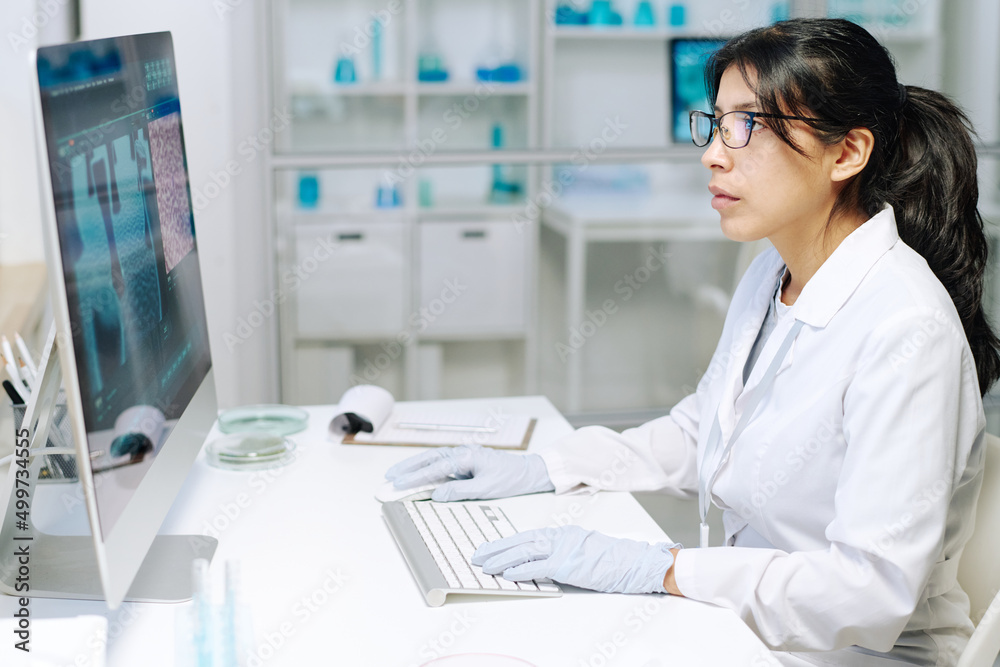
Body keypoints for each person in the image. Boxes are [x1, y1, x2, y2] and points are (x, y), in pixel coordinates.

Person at [384, 18, 997, 667]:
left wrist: (667, 567)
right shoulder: (772, 273)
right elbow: (704, 430)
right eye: (717, 123)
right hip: (753, 632)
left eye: (749, 125)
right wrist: (550, 467)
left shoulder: (906, 327)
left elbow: (869, 593)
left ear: (847, 153)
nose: (713, 154)